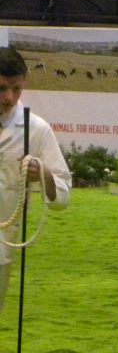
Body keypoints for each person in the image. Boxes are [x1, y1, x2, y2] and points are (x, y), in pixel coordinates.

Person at [0, 46, 71, 317]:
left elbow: (63, 195)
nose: (9, 98)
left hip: (2, 244)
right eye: (2, 88)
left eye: (17, 89)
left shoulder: (36, 129)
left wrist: (43, 174)